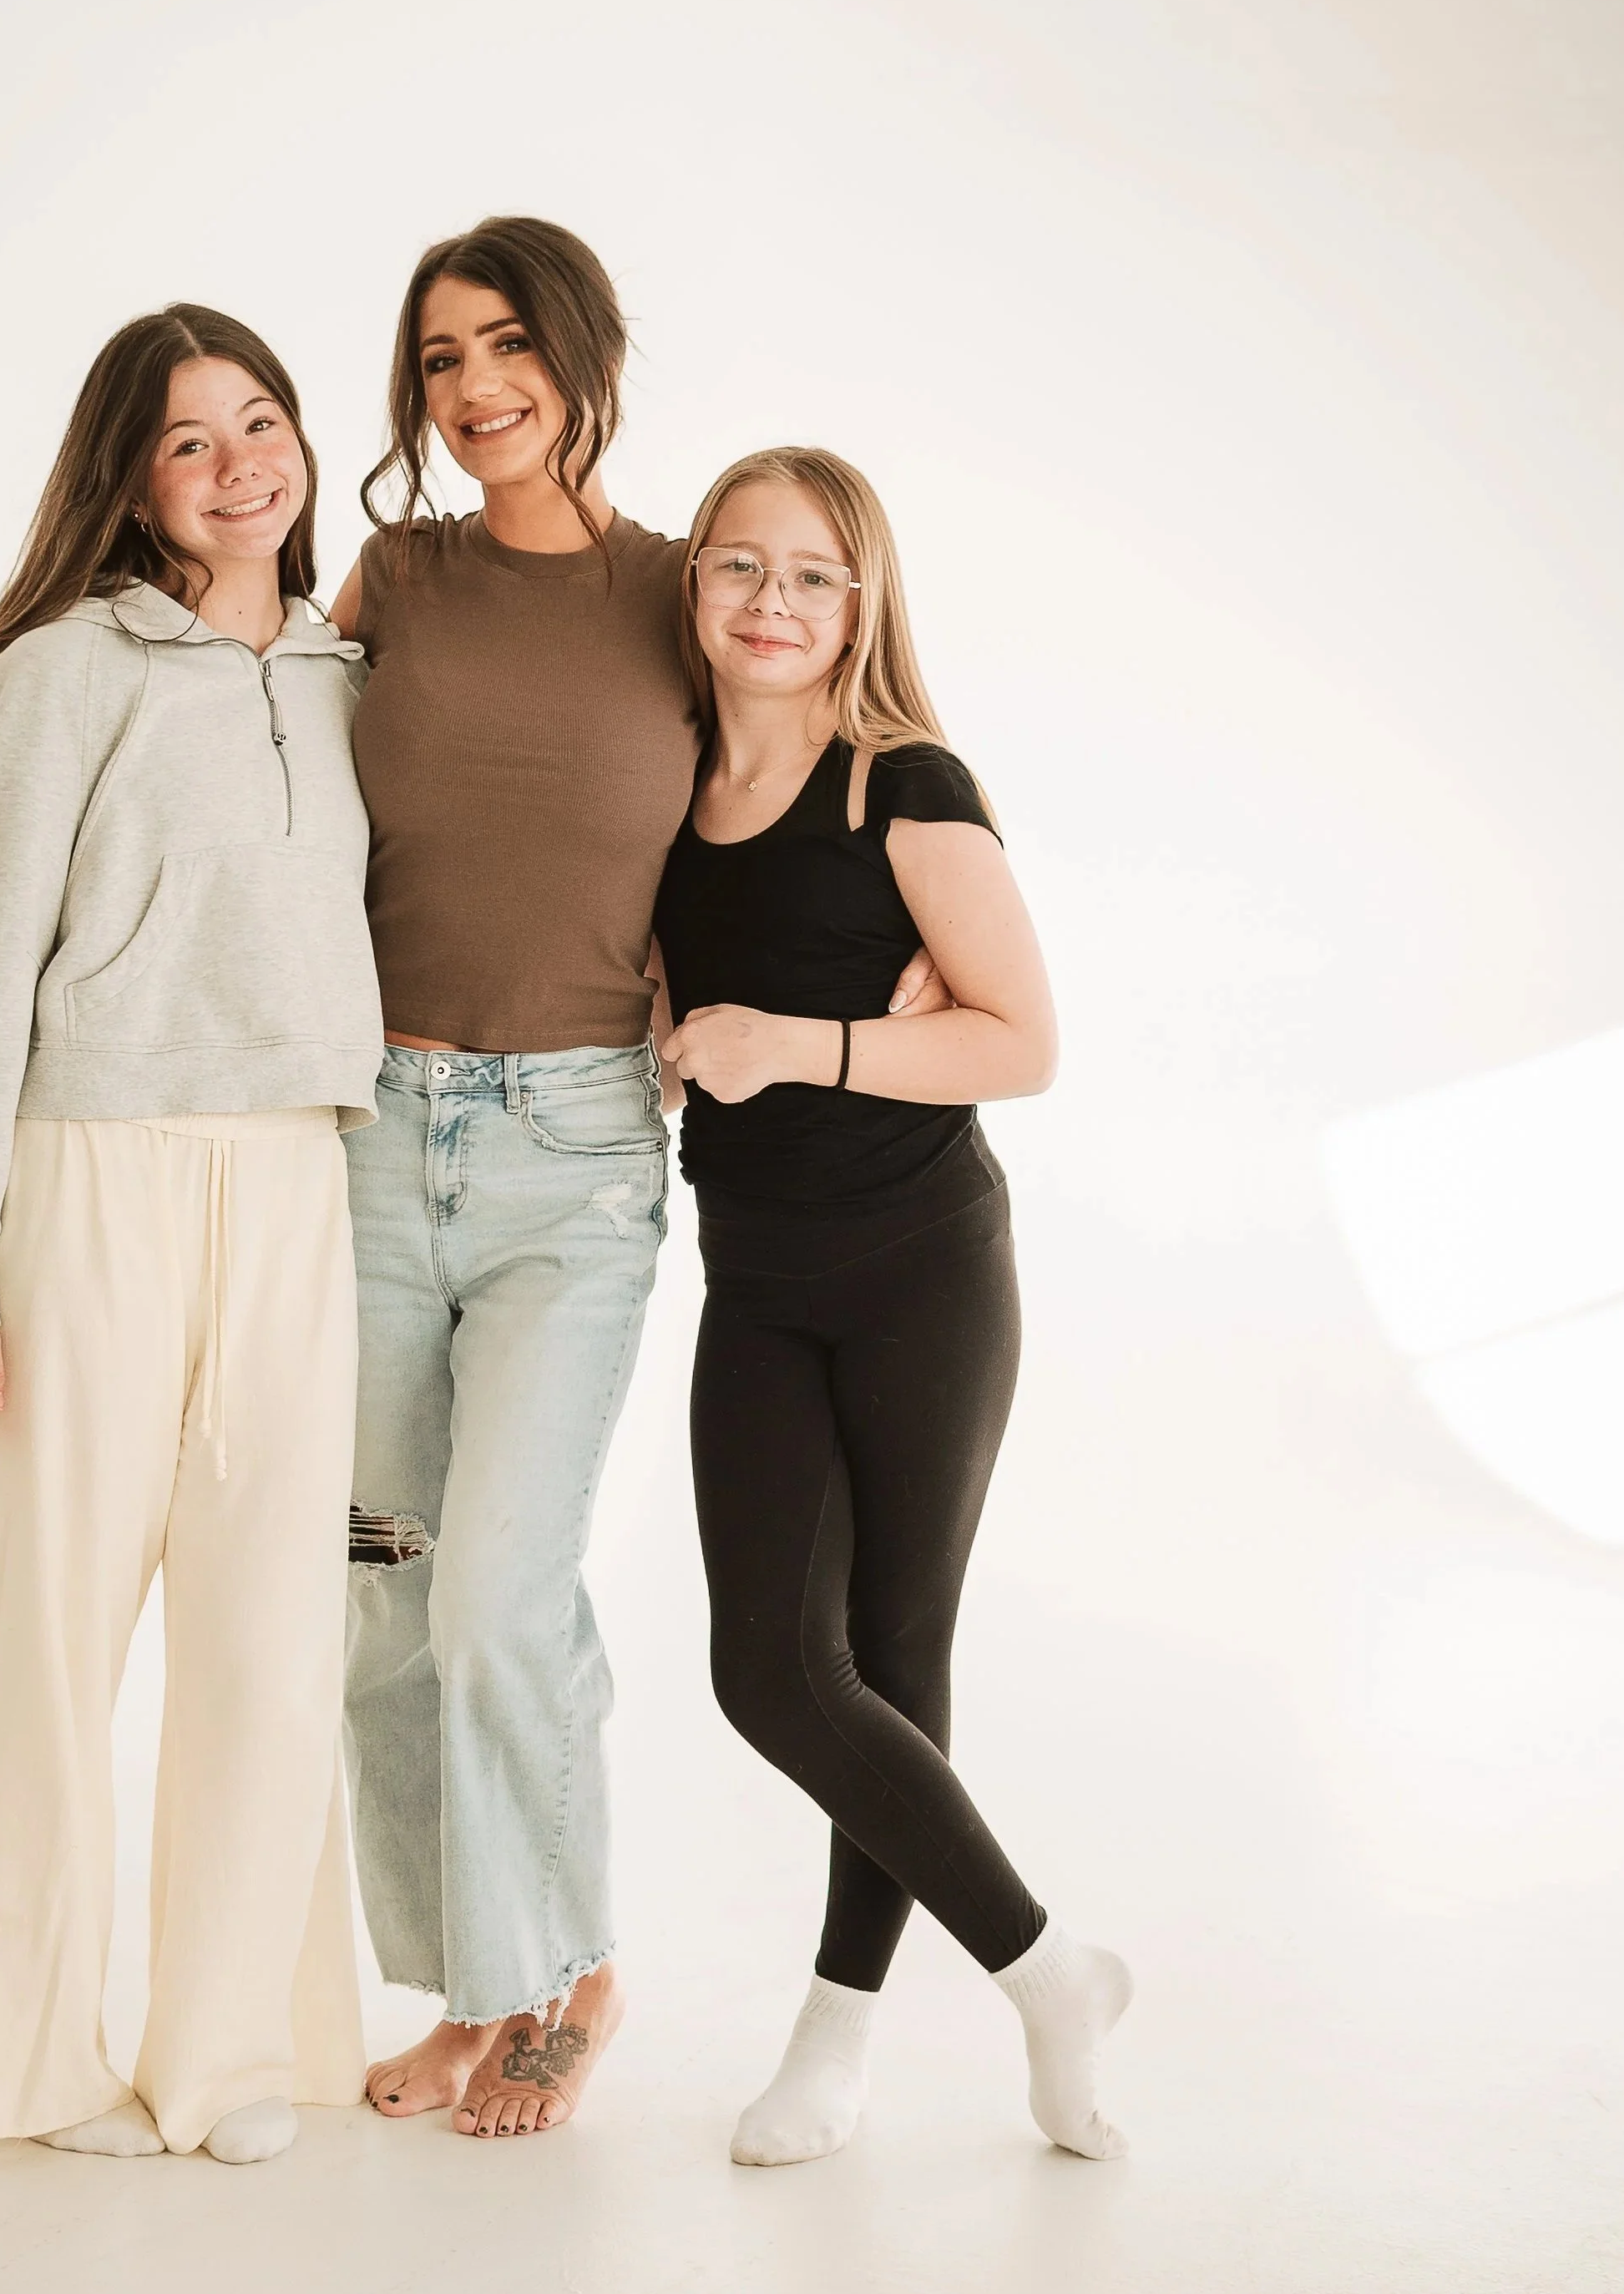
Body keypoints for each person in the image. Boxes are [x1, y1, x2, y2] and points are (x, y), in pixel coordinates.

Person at [0, 305, 381, 2162]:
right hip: (87, 1169)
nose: (242, 462)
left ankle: (231, 2053)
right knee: (50, 1643)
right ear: (128, 476)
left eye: (263, 421)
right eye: (189, 441)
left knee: (268, 1640)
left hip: (294, 1178)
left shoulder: (345, 670)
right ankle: (32, 2071)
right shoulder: (56, 675)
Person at [654, 447, 1132, 2167]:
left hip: (922, 1270)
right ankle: (1050, 1970)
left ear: (862, 603)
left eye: (810, 576)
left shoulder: (899, 788)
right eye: (734, 569)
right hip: (754, 1283)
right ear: (690, 586)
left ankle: (839, 2038)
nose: (769, 605)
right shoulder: (664, 781)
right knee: (772, 1671)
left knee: (887, 1659)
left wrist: (796, 1044)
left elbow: (1022, 1041)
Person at [327, 217, 695, 2140]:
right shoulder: (397, 570)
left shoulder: (675, 591)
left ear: (577, 350)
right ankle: (472, 1988)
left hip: (575, 1158)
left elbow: (776, 791)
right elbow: (275, 788)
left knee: (493, 1590)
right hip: (377, 1138)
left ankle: (568, 1965)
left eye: (501, 347)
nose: (470, 390)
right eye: (437, 359)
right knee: (383, 1595)